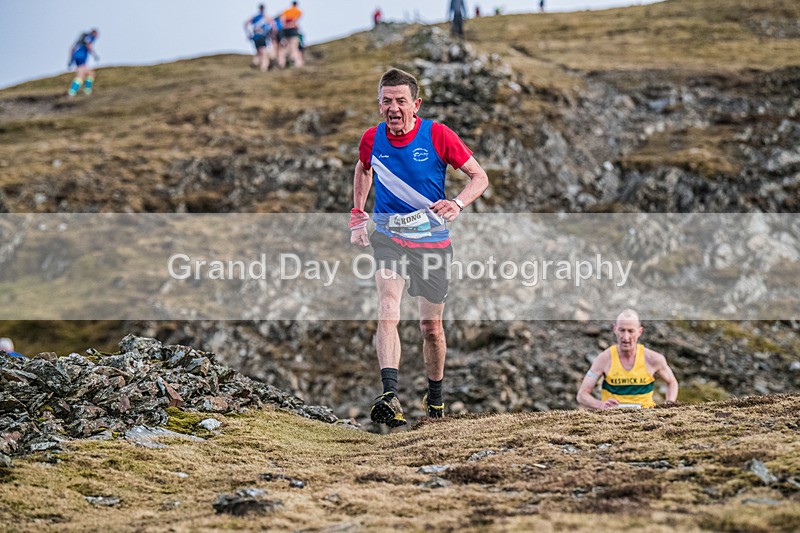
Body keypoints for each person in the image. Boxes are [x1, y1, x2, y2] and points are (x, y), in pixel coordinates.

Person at [350, 68, 489, 427]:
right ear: (379, 104)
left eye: (400, 101)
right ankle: (390, 393)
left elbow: (480, 176)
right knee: (387, 307)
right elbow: (364, 169)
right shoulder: (372, 138)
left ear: (416, 104)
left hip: (431, 240)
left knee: (431, 328)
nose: (393, 108)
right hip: (389, 235)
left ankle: (436, 397)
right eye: (386, 101)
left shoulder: (437, 135)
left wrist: (457, 203)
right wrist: (357, 212)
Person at [577, 309, 679, 409]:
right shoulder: (604, 359)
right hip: (613, 418)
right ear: (615, 329)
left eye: (631, 331)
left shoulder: (653, 359)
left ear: (640, 332)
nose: (626, 337)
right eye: (622, 330)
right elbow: (582, 395)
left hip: (646, 418)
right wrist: (600, 405)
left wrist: (669, 404)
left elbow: (672, 382)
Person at [67, 28, 99, 97]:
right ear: (94, 33)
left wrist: (71, 60)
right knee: (81, 75)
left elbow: (72, 49)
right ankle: (72, 92)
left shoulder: (82, 38)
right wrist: (94, 55)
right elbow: (88, 45)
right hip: (81, 57)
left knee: (90, 73)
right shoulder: (90, 37)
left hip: (76, 57)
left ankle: (87, 90)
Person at [244, 4, 273, 72]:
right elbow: (273, 25)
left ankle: (255, 63)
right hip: (262, 36)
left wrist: (249, 34)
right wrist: (270, 33)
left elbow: (245, 24)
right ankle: (264, 68)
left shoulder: (254, 17)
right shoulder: (266, 17)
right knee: (264, 52)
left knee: (258, 51)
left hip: (255, 36)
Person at [278, 1, 304, 68]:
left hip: (285, 31)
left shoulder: (286, 10)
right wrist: (292, 23)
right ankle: (296, 63)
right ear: (296, 4)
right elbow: (296, 19)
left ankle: (282, 63)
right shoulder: (298, 11)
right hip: (293, 30)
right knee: (294, 48)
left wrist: (285, 25)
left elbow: (281, 18)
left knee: (285, 48)